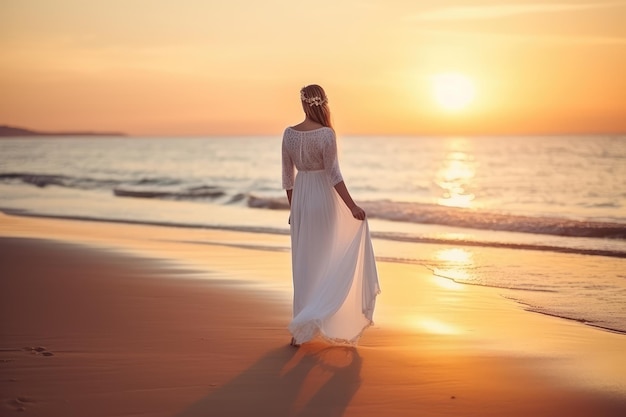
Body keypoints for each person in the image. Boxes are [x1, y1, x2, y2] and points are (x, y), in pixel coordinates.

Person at [282, 84, 381, 346]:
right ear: (322, 103)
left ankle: (300, 331)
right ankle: (318, 316)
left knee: (303, 265)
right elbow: (333, 175)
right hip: (323, 199)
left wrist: (294, 209)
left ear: (304, 103)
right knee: (326, 261)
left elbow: (287, 178)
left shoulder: (288, 134)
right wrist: (352, 206)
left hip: (302, 199)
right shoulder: (326, 134)